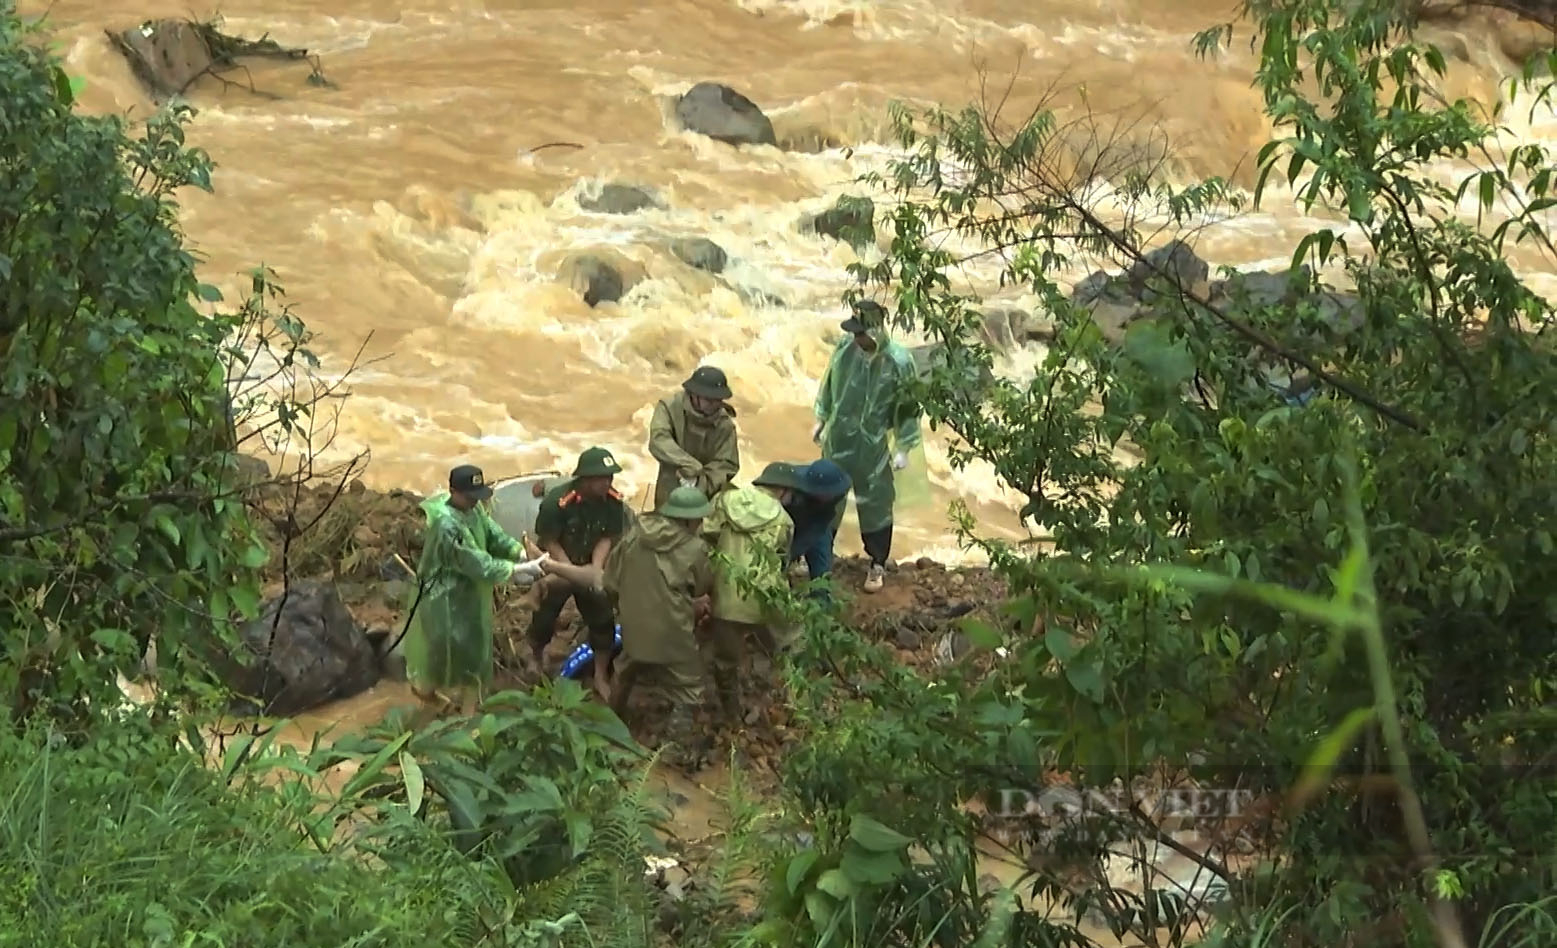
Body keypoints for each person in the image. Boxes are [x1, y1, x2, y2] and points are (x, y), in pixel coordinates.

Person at [404, 464, 549, 706]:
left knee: (473, 654)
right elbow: (476, 562)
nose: (475, 502)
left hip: (470, 594)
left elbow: (493, 535)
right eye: (470, 496)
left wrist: (519, 553)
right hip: (444, 597)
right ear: (453, 491)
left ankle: (469, 713)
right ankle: (428, 693)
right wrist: (517, 570)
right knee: (443, 650)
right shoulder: (446, 525)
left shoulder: (474, 510)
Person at [811, 299, 923, 593]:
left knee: (875, 503)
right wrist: (822, 418)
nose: (856, 338)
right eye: (854, 332)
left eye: (861, 333)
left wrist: (903, 447)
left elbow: (908, 406)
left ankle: (877, 562)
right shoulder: (846, 349)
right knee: (826, 496)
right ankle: (820, 558)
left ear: (875, 330)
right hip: (839, 438)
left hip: (873, 446)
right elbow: (830, 383)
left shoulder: (898, 362)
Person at [604, 486, 717, 770]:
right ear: (690, 521)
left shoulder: (633, 537)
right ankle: (674, 747)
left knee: (625, 669)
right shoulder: (696, 549)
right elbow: (703, 587)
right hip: (673, 635)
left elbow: (610, 583)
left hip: (633, 630)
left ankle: (610, 726)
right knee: (689, 685)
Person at [528, 446, 632, 700]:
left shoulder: (612, 502)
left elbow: (607, 537)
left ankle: (600, 674)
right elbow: (549, 540)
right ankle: (535, 658)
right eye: (601, 478)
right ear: (585, 479)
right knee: (544, 615)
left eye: (610, 477)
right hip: (558, 564)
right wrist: (570, 571)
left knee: (603, 620)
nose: (607, 483)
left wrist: (595, 569)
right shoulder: (558, 503)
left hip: (589, 566)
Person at [701, 461, 797, 724]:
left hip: (726, 594)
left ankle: (731, 713)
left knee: (724, 660)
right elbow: (782, 560)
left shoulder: (725, 500)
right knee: (786, 642)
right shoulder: (784, 520)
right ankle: (787, 694)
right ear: (782, 491)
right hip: (764, 600)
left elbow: (706, 535)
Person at [648, 365, 740, 509]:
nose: (715, 404)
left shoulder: (725, 425)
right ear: (693, 395)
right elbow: (658, 440)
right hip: (669, 489)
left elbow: (727, 464)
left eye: (718, 400)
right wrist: (688, 463)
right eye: (709, 400)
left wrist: (700, 484)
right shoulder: (669, 407)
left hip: (705, 498)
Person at [783, 459, 852, 593]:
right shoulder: (789, 485)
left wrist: (794, 552)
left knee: (822, 567)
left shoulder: (839, 488)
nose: (825, 497)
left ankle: (821, 603)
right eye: (821, 493)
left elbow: (816, 528)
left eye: (827, 494)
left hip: (817, 520)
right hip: (786, 518)